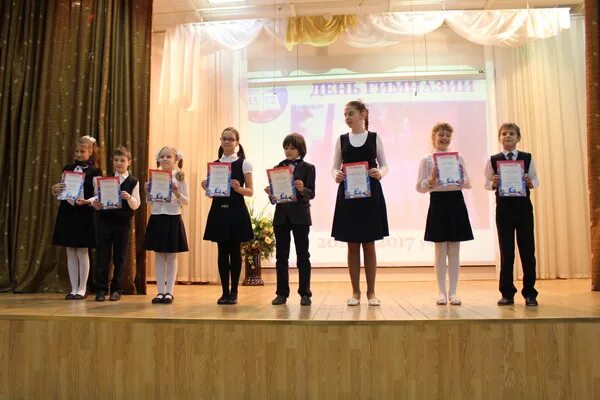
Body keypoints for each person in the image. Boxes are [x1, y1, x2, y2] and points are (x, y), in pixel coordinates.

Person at [331, 100, 389, 306]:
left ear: (362, 114)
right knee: (352, 244)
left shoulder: (374, 137)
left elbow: (385, 165)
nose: (347, 118)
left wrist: (379, 173)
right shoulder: (341, 140)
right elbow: (334, 167)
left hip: (370, 195)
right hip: (348, 196)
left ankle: (371, 293)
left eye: (351, 113)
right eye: (345, 114)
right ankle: (355, 293)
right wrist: (336, 175)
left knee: (369, 244)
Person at [416, 123, 474, 305]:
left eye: (448, 135)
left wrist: (461, 177)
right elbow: (419, 187)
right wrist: (431, 179)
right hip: (438, 203)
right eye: (441, 135)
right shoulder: (427, 160)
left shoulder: (458, 158)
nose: (444, 138)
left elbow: (469, 183)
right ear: (433, 136)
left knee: (455, 249)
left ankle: (453, 292)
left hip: (456, 202)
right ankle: (441, 293)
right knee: (440, 250)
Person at [485, 122, 539, 306]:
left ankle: (530, 293)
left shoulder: (527, 158)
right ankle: (507, 293)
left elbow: (535, 180)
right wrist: (493, 183)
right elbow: (487, 183)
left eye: (511, 133)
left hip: (523, 209)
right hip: (504, 210)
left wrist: (529, 182)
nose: (507, 136)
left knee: (527, 251)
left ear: (518, 138)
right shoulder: (494, 160)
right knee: (506, 252)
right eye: (504, 134)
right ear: (499, 138)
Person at [202, 127, 254, 305]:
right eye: (224, 138)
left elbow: (250, 191)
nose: (227, 142)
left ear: (237, 142)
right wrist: (207, 187)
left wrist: (239, 188)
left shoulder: (244, 163)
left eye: (230, 139)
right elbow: (212, 195)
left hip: (236, 211)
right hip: (219, 211)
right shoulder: (215, 164)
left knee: (235, 251)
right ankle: (224, 292)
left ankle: (234, 292)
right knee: (222, 252)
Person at [265, 133, 316, 306]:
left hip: (300, 216)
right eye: (286, 148)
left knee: (303, 256)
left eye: (292, 148)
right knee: (281, 257)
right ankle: (281, 293)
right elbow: (275, 200)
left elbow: (311, 193)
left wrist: (302, 189)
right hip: (281, 217)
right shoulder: (278, 167)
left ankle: (305, 293)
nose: (288, 151)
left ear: (300, 149)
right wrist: (271, 194)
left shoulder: (308, 168)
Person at [51, 135, 102, 300]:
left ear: (90, 152)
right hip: (68, 212)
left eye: (82, 151)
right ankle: (73, 288)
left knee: (82, 251)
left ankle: (82, 288)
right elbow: (62, 190)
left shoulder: (95, 172)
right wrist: (55, 190)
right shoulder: (67, 168)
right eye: (77, 151)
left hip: (84, 213)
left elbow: (99, 194)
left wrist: (88, 201)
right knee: (70, 251)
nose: (79, 154)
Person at [91, 146, 140, 302]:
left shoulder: (133, 182)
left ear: (129, 162)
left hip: (122, 224)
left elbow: (136, 205)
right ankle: (101, 289)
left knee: (120, 257)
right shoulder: (106, 180)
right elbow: (97, 198)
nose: (119, 163)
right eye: (116, 160)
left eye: (122, 160)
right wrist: (93, 203)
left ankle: (116, 289)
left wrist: (129, 198)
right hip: (105, 222)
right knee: (102, 256)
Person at [144, 146, 189, 304]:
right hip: (157, 218)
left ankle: (169, 291)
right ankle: (160, 292)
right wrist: (148, 192)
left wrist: (176, 192)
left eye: (168, 156)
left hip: (173, 218)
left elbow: (186, 201)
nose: (164, 159)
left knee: (171, 256)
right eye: (162, 156)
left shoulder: (180, 177)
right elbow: (149, 202)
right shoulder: (154, 176)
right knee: (159, 256)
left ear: (176, 159)